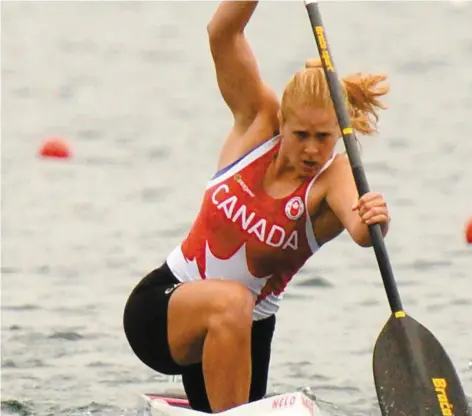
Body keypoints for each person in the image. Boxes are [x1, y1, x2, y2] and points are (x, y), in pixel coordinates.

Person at [123, 0, 391, 413]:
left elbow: (360, 230)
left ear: (340, 132)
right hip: (164, 307)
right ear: (282, 121)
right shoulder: (256, 121)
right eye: (301, 133)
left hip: (244, 338)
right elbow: (221, 34)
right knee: (232, 300)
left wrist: (375, 217)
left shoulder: (334, 177)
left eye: (324, 137)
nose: (311, 149)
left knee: (236, 307)